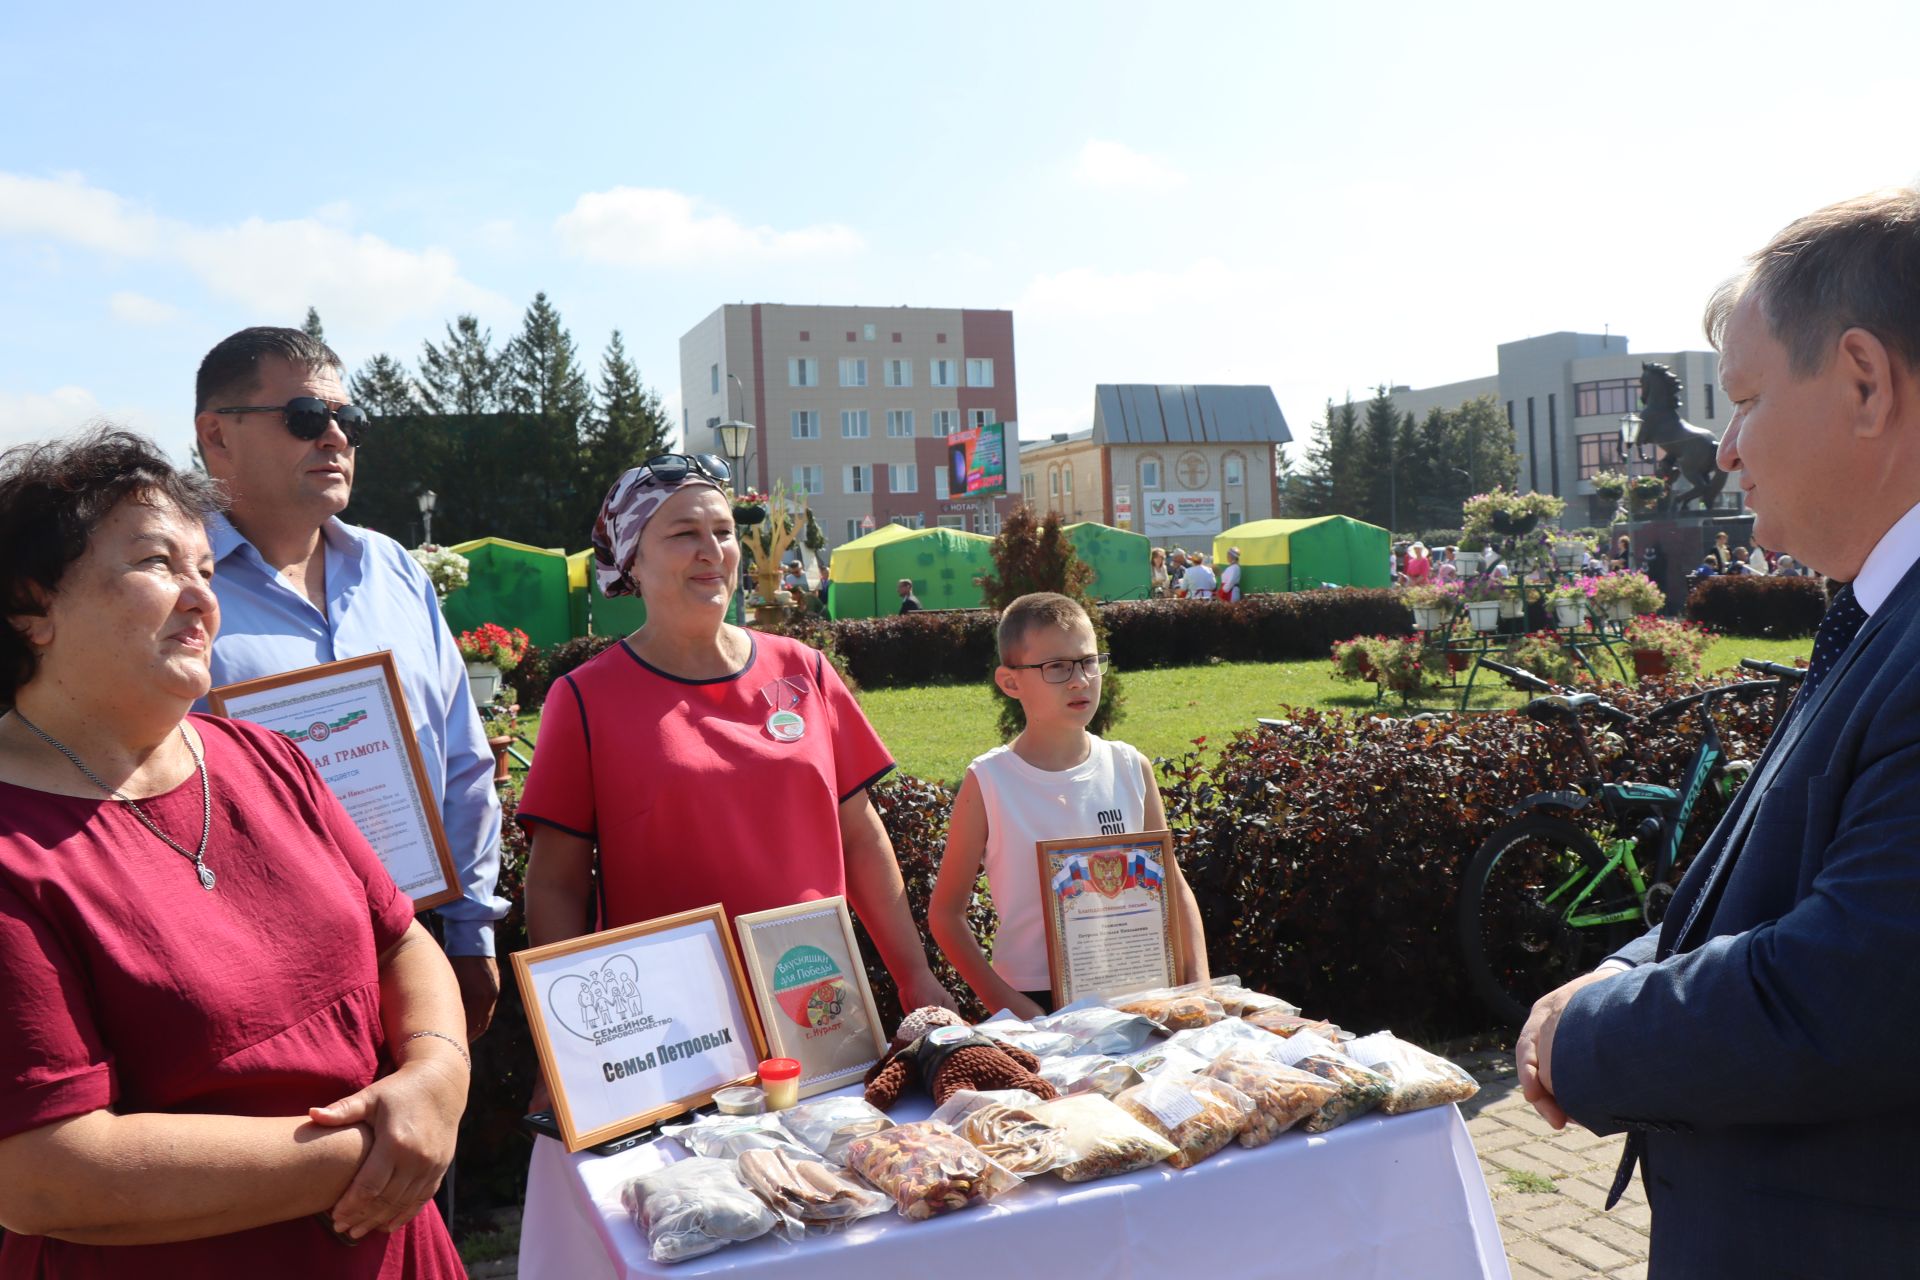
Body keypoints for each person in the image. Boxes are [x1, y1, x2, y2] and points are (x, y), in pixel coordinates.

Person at [1516, 188, 1920, 1274]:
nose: (1726, 449)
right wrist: (1614, 976)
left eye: (1742, 399)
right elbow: (1777, 892)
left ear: (1865, 382)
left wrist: (1587, 1033)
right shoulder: (1880, 611)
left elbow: (1855, 984)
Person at [0, 430, 467, 1276]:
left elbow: (400, 939)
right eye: (156, 564)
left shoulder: (266, 758)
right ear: (32, 605)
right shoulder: (14, 844)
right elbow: (46, 1175)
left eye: (206, 571)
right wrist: (381, 1152)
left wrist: (436, 1074)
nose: (200, 599)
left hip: (394, 1247)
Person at [519, 455, 954, 1016]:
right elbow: (556, 884)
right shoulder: (584, 699)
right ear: (634, 559)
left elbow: (861, 838)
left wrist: (914, 975)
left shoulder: (806, 670)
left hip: (817, 1007)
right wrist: (568, 1033)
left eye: (723, 533)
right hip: (676, 1029)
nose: (713, 551)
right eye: (684, 533)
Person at [191, 327, 506, 1044]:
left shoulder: (395, 571)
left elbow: (463, 760)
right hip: (258, 971)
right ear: (217, 435)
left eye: (348, 421)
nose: (334, 437)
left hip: (422, 950)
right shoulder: (173, 587)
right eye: (305, 417)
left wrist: (471, 935)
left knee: (426, 1152)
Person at [928, 593, 1208, 1018]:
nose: (1080, 680)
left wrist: (1199, 984)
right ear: (1010, 682)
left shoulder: (1131, 767)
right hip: (1036, 1005)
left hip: (1141, 990)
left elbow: (1172, 883)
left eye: (1088, 661)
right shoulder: (988, 781)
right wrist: (1010, 1006)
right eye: (1056, 667)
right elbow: (945, 914)